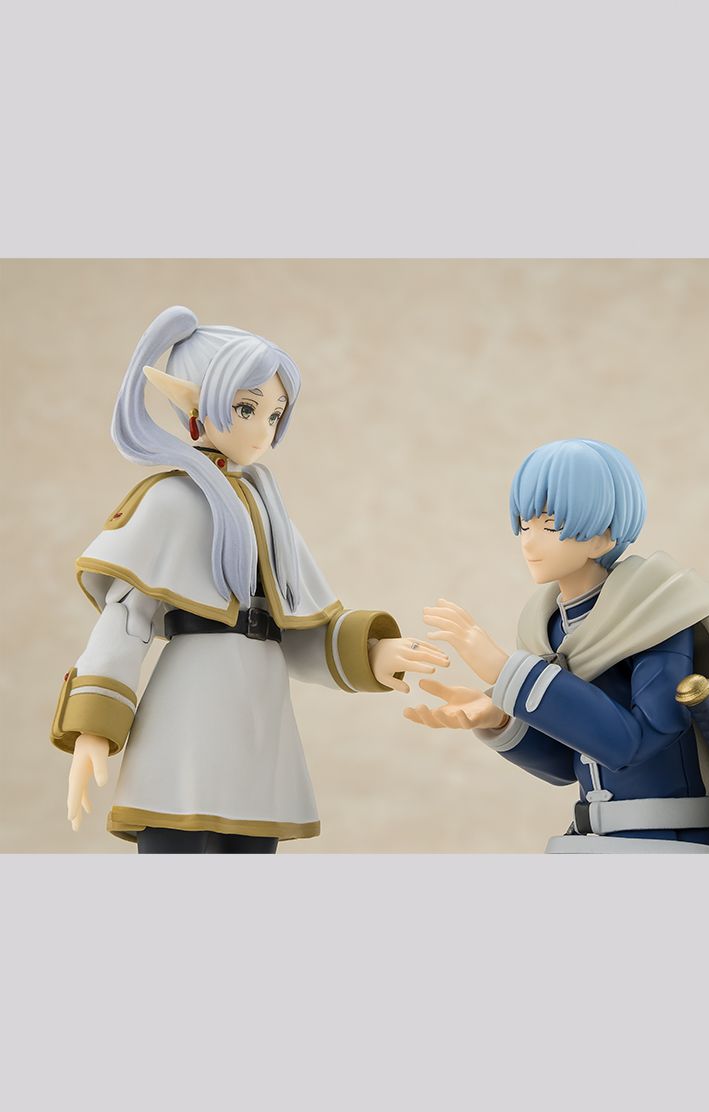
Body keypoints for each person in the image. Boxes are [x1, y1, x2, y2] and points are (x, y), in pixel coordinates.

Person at [51, 305, 448, 853]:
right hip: (191, 703)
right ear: (197, 408)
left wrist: (373, 652)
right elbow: (126, 621)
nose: (264, 429)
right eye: (247, 408)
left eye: (275, 414)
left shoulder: (266, 507)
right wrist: (93, 727)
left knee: (250, 845)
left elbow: (297, 620)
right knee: (179, 834)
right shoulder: (170, 500)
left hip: (261, 713)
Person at [404, 438, 709, 853]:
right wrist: (500, 717)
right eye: (525, 524)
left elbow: (631, 743)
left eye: (551, 526)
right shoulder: (550, 630)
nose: (529, 541)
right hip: (589, 840)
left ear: (602, 537)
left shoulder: (653, 615)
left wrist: (505, 671)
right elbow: (566, 763)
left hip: (666, 843)